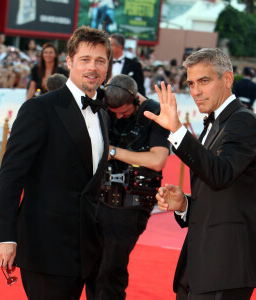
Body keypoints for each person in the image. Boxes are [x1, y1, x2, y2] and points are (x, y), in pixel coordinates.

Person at [0, 26, 112, 300]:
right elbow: (10, 176)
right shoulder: (40, 109)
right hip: (45, 246)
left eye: (100, 61)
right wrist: (4, 236)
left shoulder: (102, 114)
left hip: (84, 248)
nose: (93, 67)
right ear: (69, 62)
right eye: (85, 59)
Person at [144, 48, 256, 299]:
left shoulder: (244, 122)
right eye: (191, 83)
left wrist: (177, 130)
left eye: (204, 81)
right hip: (199, 267)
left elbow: (221, 174)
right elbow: (220, 195)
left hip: (225, 267)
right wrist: (184, 204)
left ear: (227, 79)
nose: (195, 91)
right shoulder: (215, 123)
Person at [86, 74, 170, 300]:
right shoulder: (102, 104)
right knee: (92, 265)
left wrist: (111, 152)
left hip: (132, 203)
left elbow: (157, 160)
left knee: (111, 268)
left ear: (135, 99)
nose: (120, 116)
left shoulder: (154, 112)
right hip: (100, 197)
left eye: (124, 112)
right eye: (115, 114)